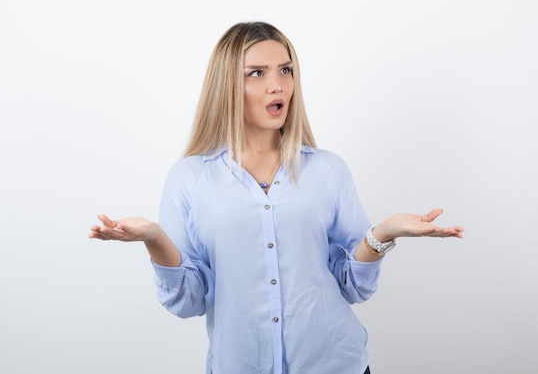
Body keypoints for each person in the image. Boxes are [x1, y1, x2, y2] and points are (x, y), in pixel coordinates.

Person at [88, 21, 464, 374]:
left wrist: (383, 234)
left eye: (285, 70)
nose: (277, 85)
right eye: (257, 73)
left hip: (335, 363)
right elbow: (189, 300)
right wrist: (154, 239)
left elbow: (353, 284)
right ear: (227, 86)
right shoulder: (189, 178)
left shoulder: (328, 170)